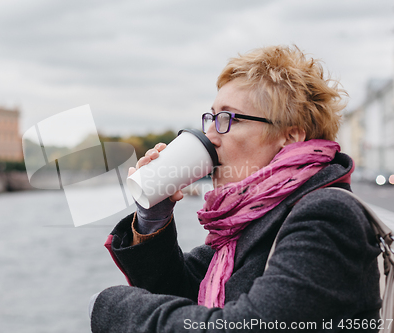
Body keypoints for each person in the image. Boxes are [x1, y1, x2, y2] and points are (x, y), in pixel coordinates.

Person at [90, 45, 381, 332]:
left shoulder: (327, 216)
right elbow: (182, 292)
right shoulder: (249, 219)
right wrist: (153, 217)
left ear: (290, 137)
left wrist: (114, 309)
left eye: (230, 119)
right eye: (211, 118)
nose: (210, 135)